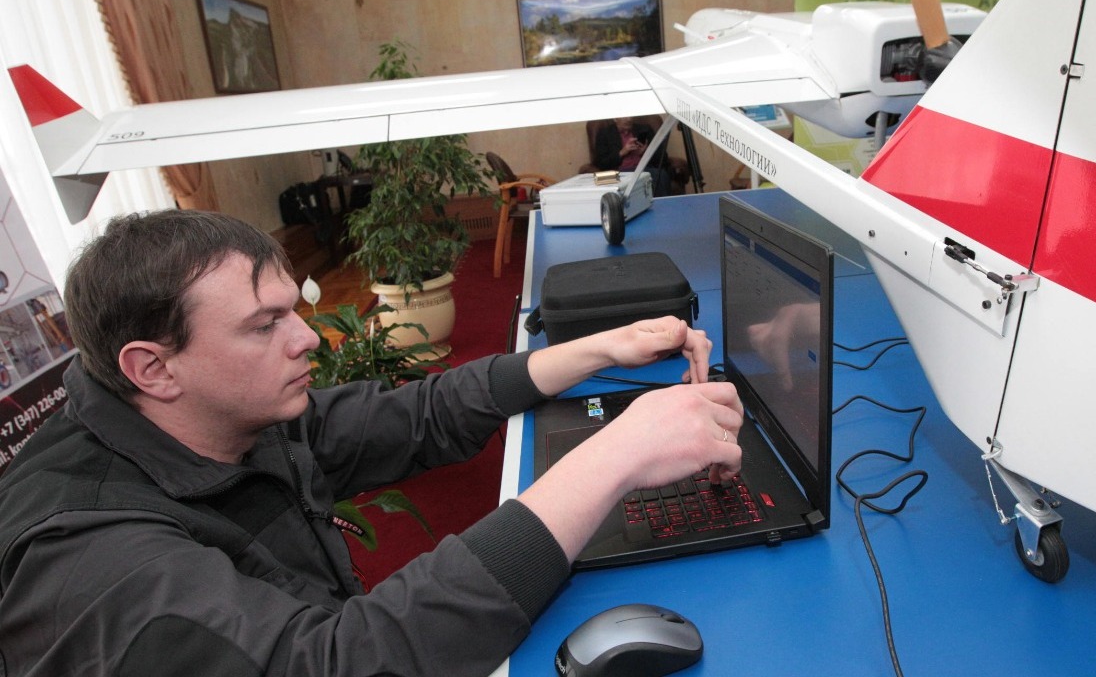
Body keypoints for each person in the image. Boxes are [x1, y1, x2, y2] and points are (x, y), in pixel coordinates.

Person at [0, 210, 743, 676]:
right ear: (153, 368)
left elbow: (415, 416)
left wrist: (599, 348)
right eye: (264, 325)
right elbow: (343, 664)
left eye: (293, 310)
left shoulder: (215, 412)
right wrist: (614, 456)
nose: (306, 340)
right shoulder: (96, 564)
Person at [591, 116, 673, 197]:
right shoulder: (605, 134)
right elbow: (601, 163)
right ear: (615, 118)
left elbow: (663, 157)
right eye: (624, 116)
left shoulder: (645, 130)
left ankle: (663, 204)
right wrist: (622, 152)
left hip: (644, 170)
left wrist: (644, 152)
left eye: (630, 116)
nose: (629, 119)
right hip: (621, 173)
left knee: (661, 175)